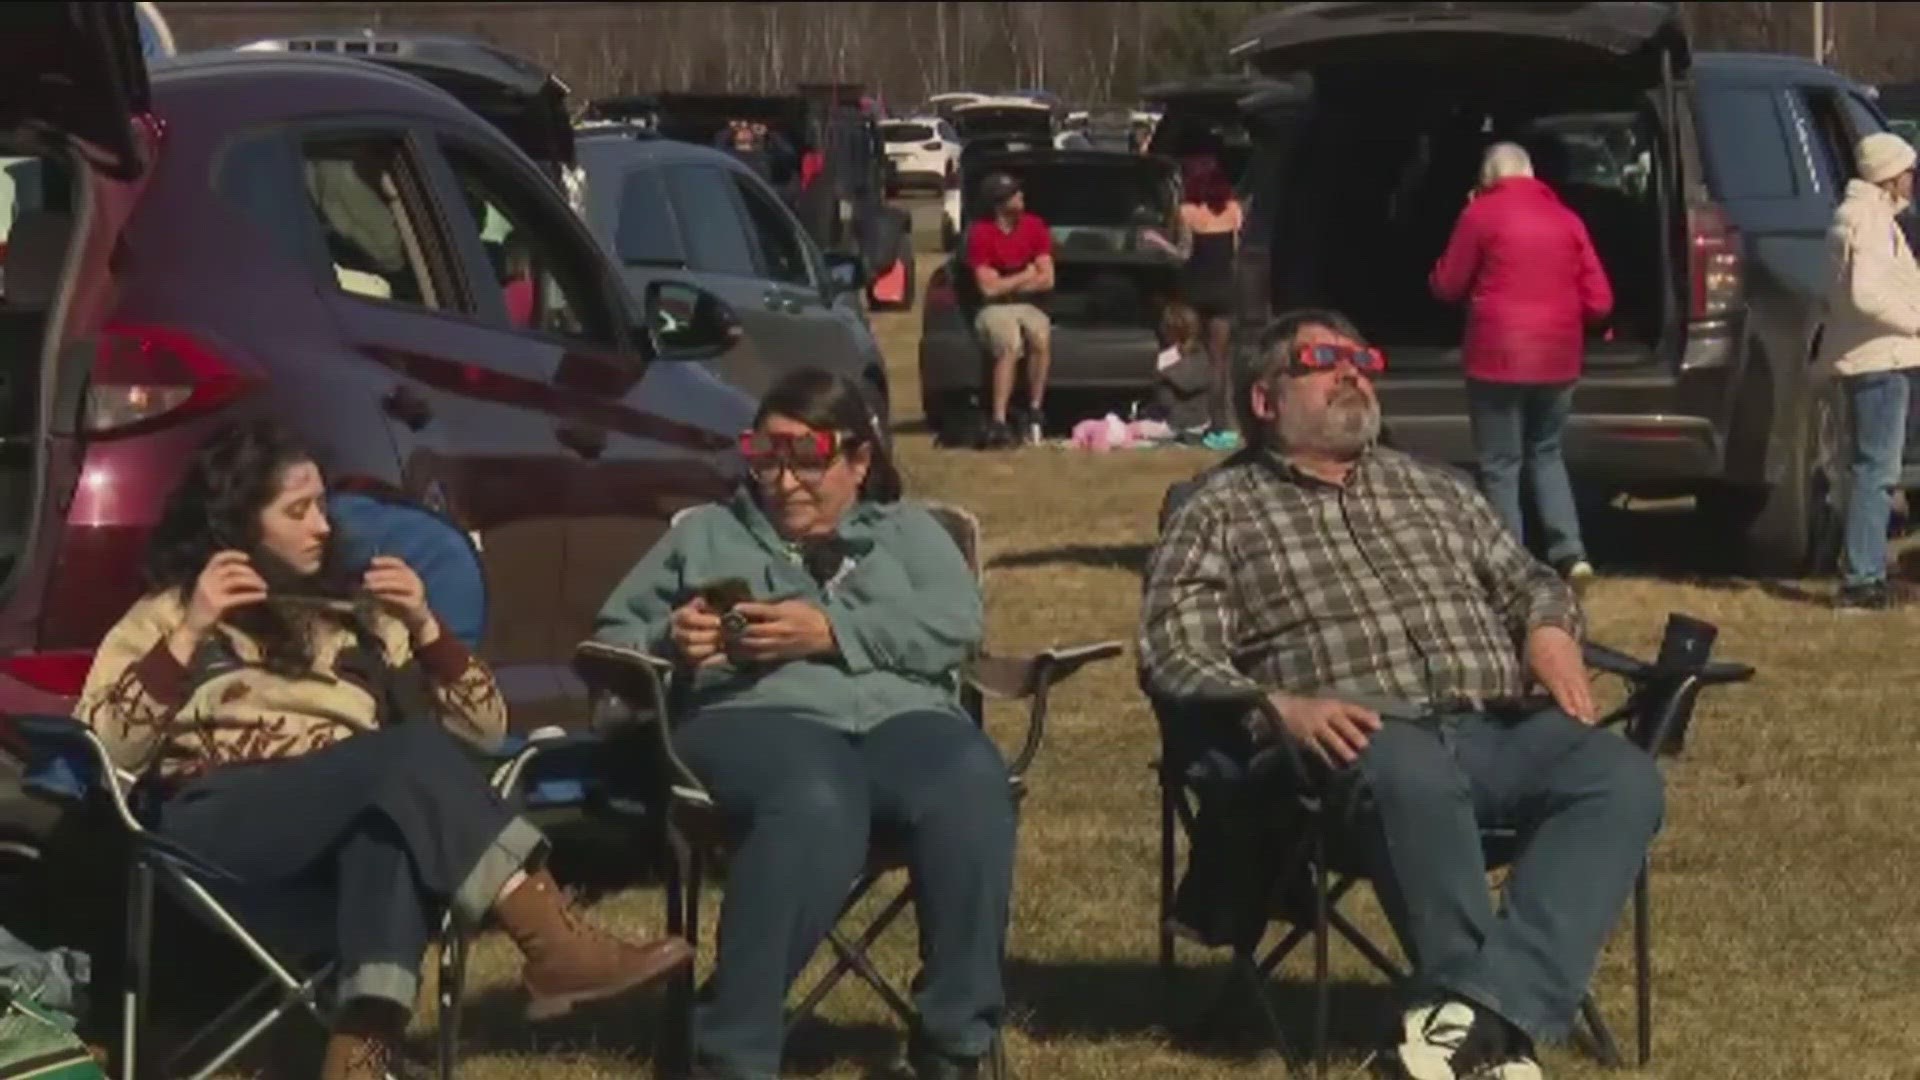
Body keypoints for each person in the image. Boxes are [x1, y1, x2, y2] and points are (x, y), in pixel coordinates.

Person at [73, 422, 692, 1080]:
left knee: (389, 834)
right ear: (239, 527)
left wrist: (427, 626)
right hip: (221, 829)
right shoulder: (169, 612)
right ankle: (552, 938)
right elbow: (106, 745)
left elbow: (484, 732)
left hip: (343, 832)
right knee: (405, 758)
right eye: (297, 510)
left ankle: (360, 1056)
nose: (321, 526)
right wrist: (192, 630)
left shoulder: (358, 619)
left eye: (322, 506)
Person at [1139, 310, 1663, 1080]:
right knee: (1408, 768)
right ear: (1263, 398)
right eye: (1323, 360)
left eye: (1361, 357)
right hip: (1351, 741)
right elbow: (1172, 647)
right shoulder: (1216, 510)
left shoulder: (1436, 489)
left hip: (1495, 727)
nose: (1352, 371)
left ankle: (1474, 1024)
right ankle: (1488, 1034)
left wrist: (1549, 627)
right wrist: (1278, 705)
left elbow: (1528, 580)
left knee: (1619, 777)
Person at [594, 369, 1011, 1080]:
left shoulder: (908, 533)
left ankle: (954, 1043)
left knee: (971, 779)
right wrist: (671, 642)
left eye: (807, 457)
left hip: (899, 719)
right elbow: (610, 640)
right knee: (816, 794)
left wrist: (829, 631)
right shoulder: (707, 535)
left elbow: (955, 624)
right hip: (751, 719)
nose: (783, 480)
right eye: (765, 456)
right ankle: (732, 1052)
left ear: (859, 460)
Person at [1430, 142, 1613, 590]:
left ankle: (1510, 561)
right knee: (1547, 453)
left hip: (1497, 357)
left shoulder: (1480, 215)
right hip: (1558, 358)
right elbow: (1601, 301)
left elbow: (1447, 285)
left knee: (1500, 463)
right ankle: (1571, 554)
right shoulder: (1568, 220)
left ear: (1488, 177)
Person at [1817, 131, 1920, 610]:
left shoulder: (1854, 216)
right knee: (1876, 471)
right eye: (1907, 172)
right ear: (1890, 176)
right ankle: (1863, 578)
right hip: (1882, 357)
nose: (1912, 180)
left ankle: (1863, 569)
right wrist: (1917, 322)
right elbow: (1867, 294)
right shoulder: (1873, 223)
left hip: (1866, 356)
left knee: (1864, 469)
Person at [964, 171, 1055, 448]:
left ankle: (1035, 410)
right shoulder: (981, 233)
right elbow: (988, 290)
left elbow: (1047, 279)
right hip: (993, 309)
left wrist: (1009, 282)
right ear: (999, 203)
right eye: (1014, 194)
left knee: (1040, 335)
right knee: (1010, 343)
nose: (1021, 197)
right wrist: (1025, 275)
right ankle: (999, 420)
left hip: (1026, 305)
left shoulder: (1035, 226)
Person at [1178, 158, 1245, 432]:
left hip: (1195, 289)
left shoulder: (1186, 212)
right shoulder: (1233, 210)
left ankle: (1194, 415)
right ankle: (1222, 422)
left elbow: (1184, 252)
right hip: (1225, 289)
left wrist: (1160, 243)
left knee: (1192, 352)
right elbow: (1237, 251)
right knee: (1221, 361)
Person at [1149, 299, 1216, 437]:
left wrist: (1165, 373)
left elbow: (1189, 383)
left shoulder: (1197, 355)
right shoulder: (1167, 353)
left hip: (1188, 423)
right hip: (1169, 419)